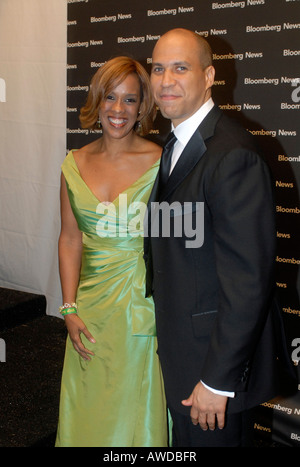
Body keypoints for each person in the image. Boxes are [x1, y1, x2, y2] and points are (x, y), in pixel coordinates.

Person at [144, 28, 295, 447]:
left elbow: (248, 282)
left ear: (209, 76)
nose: (165, 80)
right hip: (184, 355)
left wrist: (218, 381)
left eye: (180, 68)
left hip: (213, 376)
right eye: (158, 68)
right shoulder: (176, 143)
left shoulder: (233, 155)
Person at [55, 56, 169, 447]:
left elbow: (177, 242)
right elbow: (70, 239)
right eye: (110, 98)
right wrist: (69, 308)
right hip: (90, 312)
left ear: (142, 108)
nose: (118, 110)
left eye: (130, 100)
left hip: (143, 309)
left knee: (134, 419)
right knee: (89, 412)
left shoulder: (160, 162)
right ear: (97, 101)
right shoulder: (74, 164)